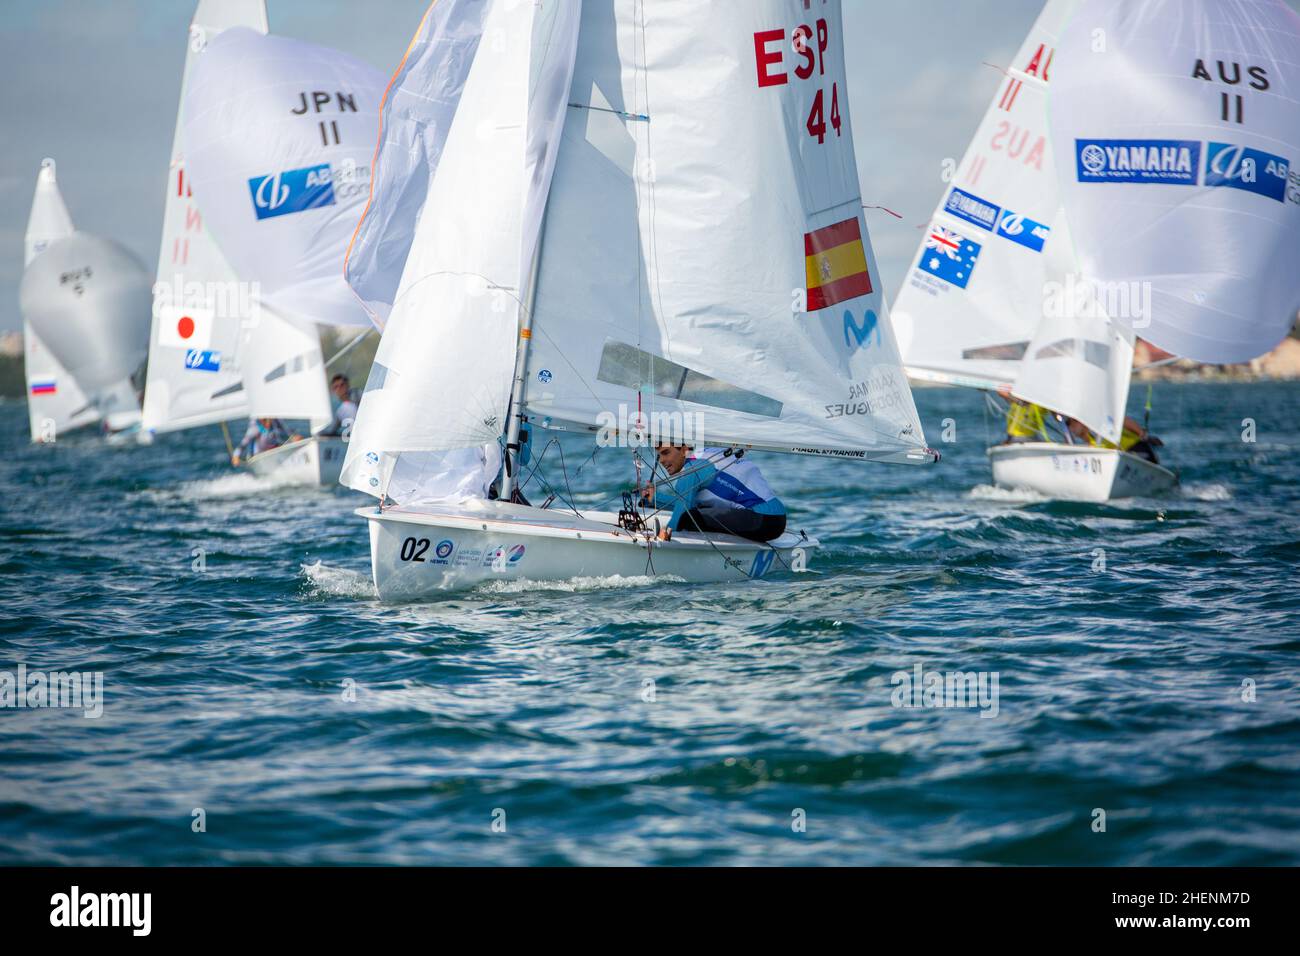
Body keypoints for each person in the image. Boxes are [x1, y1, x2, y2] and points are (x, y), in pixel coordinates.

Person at [644, 444, 787, 543]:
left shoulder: (692, 469)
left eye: (666, 452)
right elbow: (689, 503)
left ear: (683, 449)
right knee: (695, 513)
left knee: (688, 518)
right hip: (773, 520)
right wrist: (653, 499)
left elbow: (683, 512)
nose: (661, 460)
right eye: (658, 455)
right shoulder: (704, 456)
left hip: (762, 520)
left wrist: (667, 537)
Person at [1066, 415, 1163, 463]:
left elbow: (1123, 420)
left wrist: (1143, 435)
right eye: (1068, 424)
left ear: (1082, 422)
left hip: (1137, 448)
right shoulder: (1090, 441)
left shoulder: (1099, 425)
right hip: (1121, 460)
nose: (1071, 427)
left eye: (1073, 422)